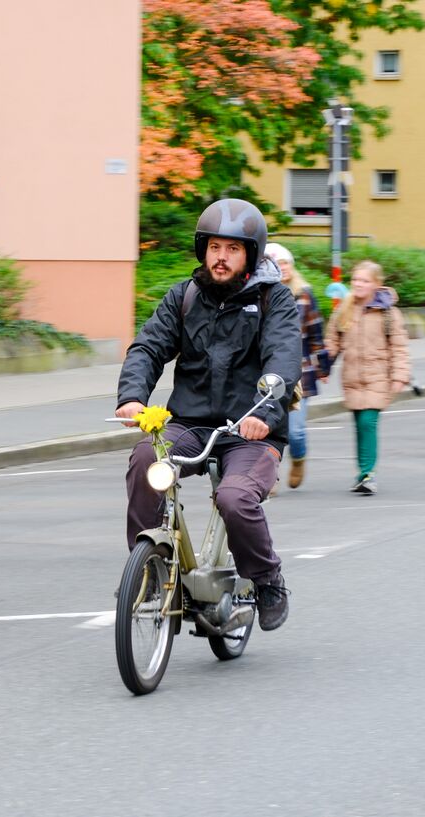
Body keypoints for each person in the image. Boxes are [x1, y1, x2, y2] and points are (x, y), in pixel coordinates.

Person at [116, 199, 301, 631]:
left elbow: (283, 359)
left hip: (251, 430)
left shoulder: (275, 300)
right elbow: (148, 347)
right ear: (204, 250)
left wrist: (266, 411)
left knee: (235, 499)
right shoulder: (184, 296)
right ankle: (150, 566)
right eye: (215, 247)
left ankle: (267, 579)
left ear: (250, 255)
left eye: (233, 249)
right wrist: (132, 397)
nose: (221, 257)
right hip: (191, 423)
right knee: (145, 460)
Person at [324, 260, 411, 495]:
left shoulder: (388, 313)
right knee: (359, 425)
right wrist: (322, 368)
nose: (358, 284)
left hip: (378, 376)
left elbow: (399, 347)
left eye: (364, 280)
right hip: (352, 378)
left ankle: (368, 474)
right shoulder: (344, 309)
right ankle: (363, 473)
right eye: (355, 280)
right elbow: (332, 342)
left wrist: (400, 375)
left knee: (367, 423)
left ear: (376, 284)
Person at [264, 243, 330, 491]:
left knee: (296, 432)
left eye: (285, 263)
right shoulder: (260, 295)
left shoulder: (304, 294)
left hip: (300, 373)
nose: (282, 268)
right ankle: (268, 478)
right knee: (266, 429)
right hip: (267, 374)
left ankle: (299, 459)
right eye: (277, 264)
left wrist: (323, 366)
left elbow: (316, 332)